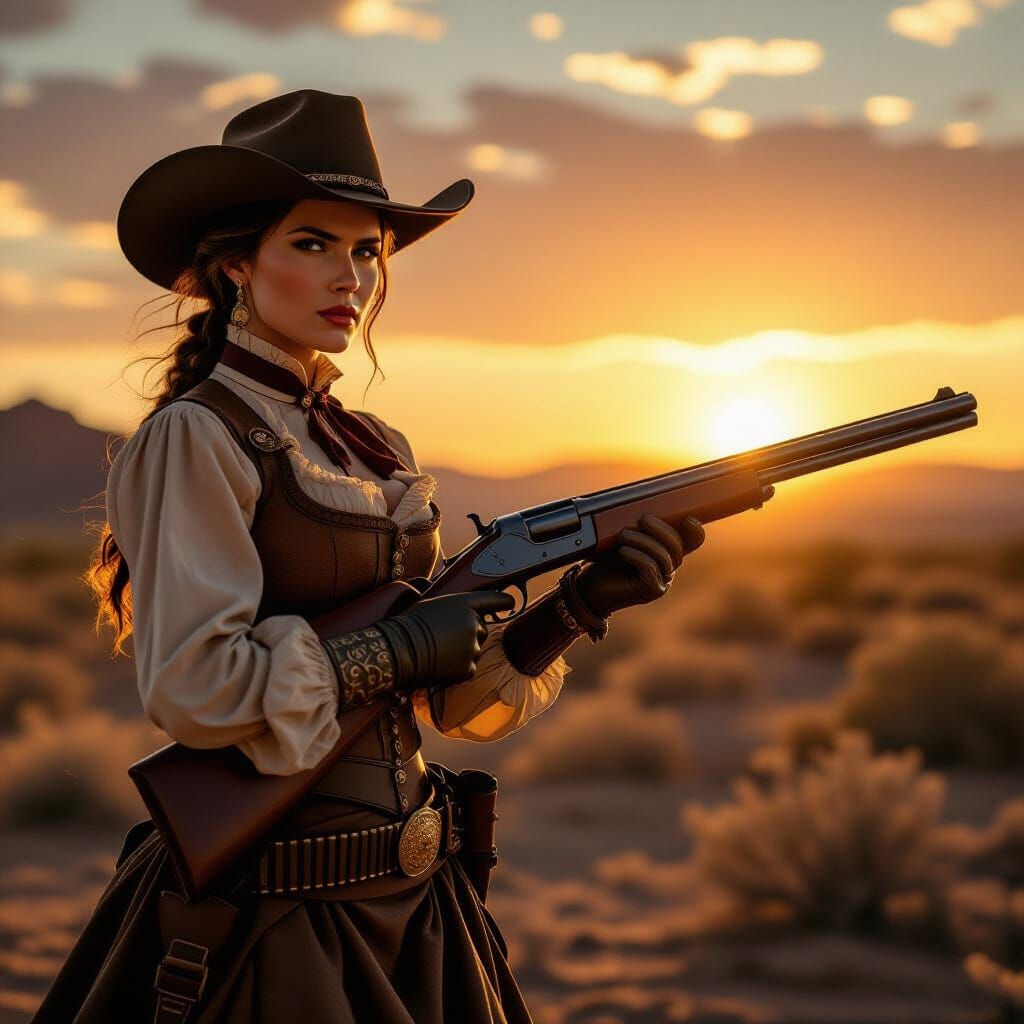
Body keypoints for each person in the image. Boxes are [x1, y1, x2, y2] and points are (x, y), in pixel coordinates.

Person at [30, 89, 706, 1023]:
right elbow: (193, 687)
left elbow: (443, 700)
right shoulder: (196, 435)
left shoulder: (377, 445)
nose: (350, 275)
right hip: (276, 919)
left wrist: (574, 612)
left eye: (366, 250)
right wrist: (395, 649)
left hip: (418, 904)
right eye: (313, 243)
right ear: (236, 264)